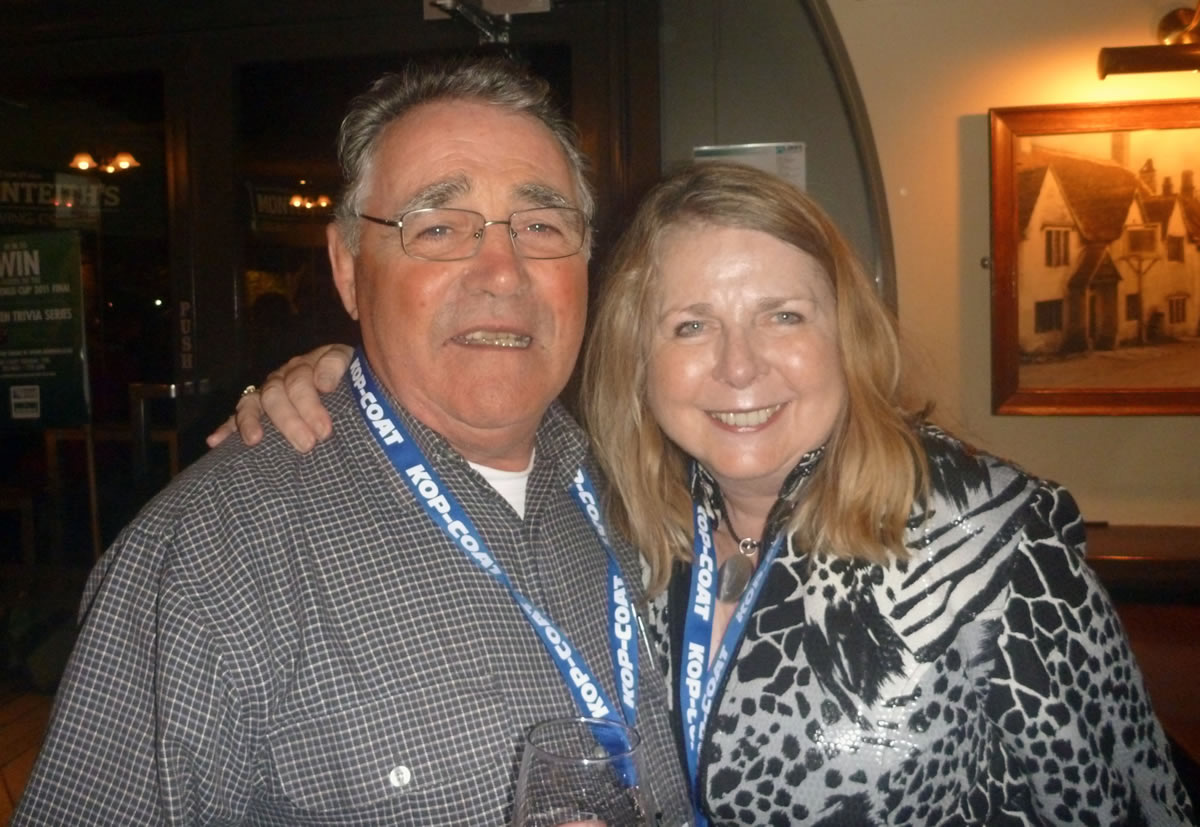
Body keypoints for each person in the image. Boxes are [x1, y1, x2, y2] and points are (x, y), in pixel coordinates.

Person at [221, 161, 1195, 825]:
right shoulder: (622, 512)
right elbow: (468, 405)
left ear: (847, 333)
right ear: (637, 358)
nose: (738, 366)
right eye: (690, 325)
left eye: (783, 315)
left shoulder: (991, 539)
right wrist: (342, 376)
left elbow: (1123, 799)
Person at [13, 57, 691, 826]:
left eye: (541, 226)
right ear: (347, 268)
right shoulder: (207, 557)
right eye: (438, 227)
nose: (503, 273)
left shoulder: (639, 490)